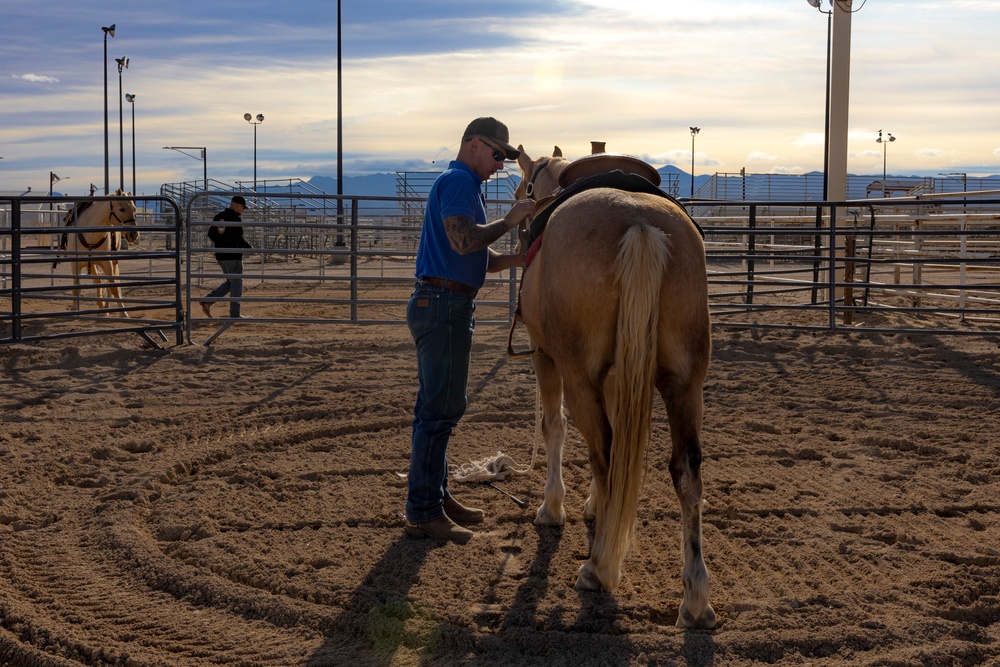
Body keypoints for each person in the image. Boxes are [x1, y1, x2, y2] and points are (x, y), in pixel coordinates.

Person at [405, 117, 535, 543]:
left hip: (443, 300)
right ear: (474, 144)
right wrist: (511, 218)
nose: (500, 165)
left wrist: (516, 259)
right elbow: (463, 241)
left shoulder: (461, 182)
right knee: (440, 411)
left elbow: (474, 254)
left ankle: (436, 497)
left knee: (438, 408)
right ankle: (425, 509)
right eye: (498, 155)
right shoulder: (459, 182)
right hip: (444, 304)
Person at [202, 195, 253, 318]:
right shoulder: (235, 218)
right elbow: (237, 237)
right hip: (233, 256)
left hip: (221, 255)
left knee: (230, 283)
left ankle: (208, 300)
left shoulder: (219, 216)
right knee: (236, 284)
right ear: (236, 205)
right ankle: (235, 314)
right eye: (242, 207)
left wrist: (221, 242)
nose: (242, 210)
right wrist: (248, 247)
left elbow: (211, 234)